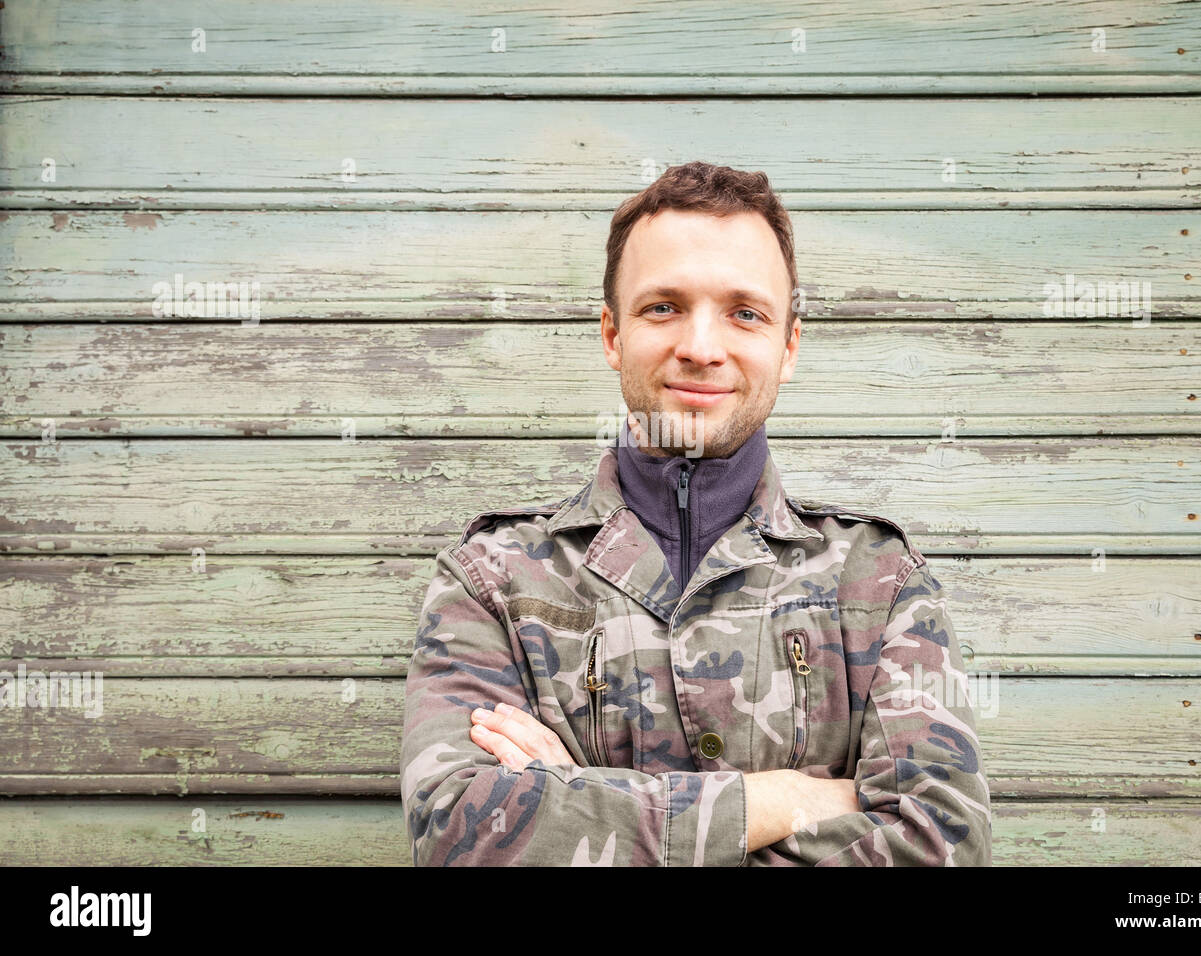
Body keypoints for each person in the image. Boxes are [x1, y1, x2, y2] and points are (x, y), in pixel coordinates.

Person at [400, 161, 992, 866]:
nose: (702, 348)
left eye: (745, 312)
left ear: (789, 345)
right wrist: (786, 801)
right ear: (613, 334)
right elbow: (458, 836)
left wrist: (580, 799)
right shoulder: (492, 580)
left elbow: (940, 847)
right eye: (663, 307)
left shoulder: (880, 582)